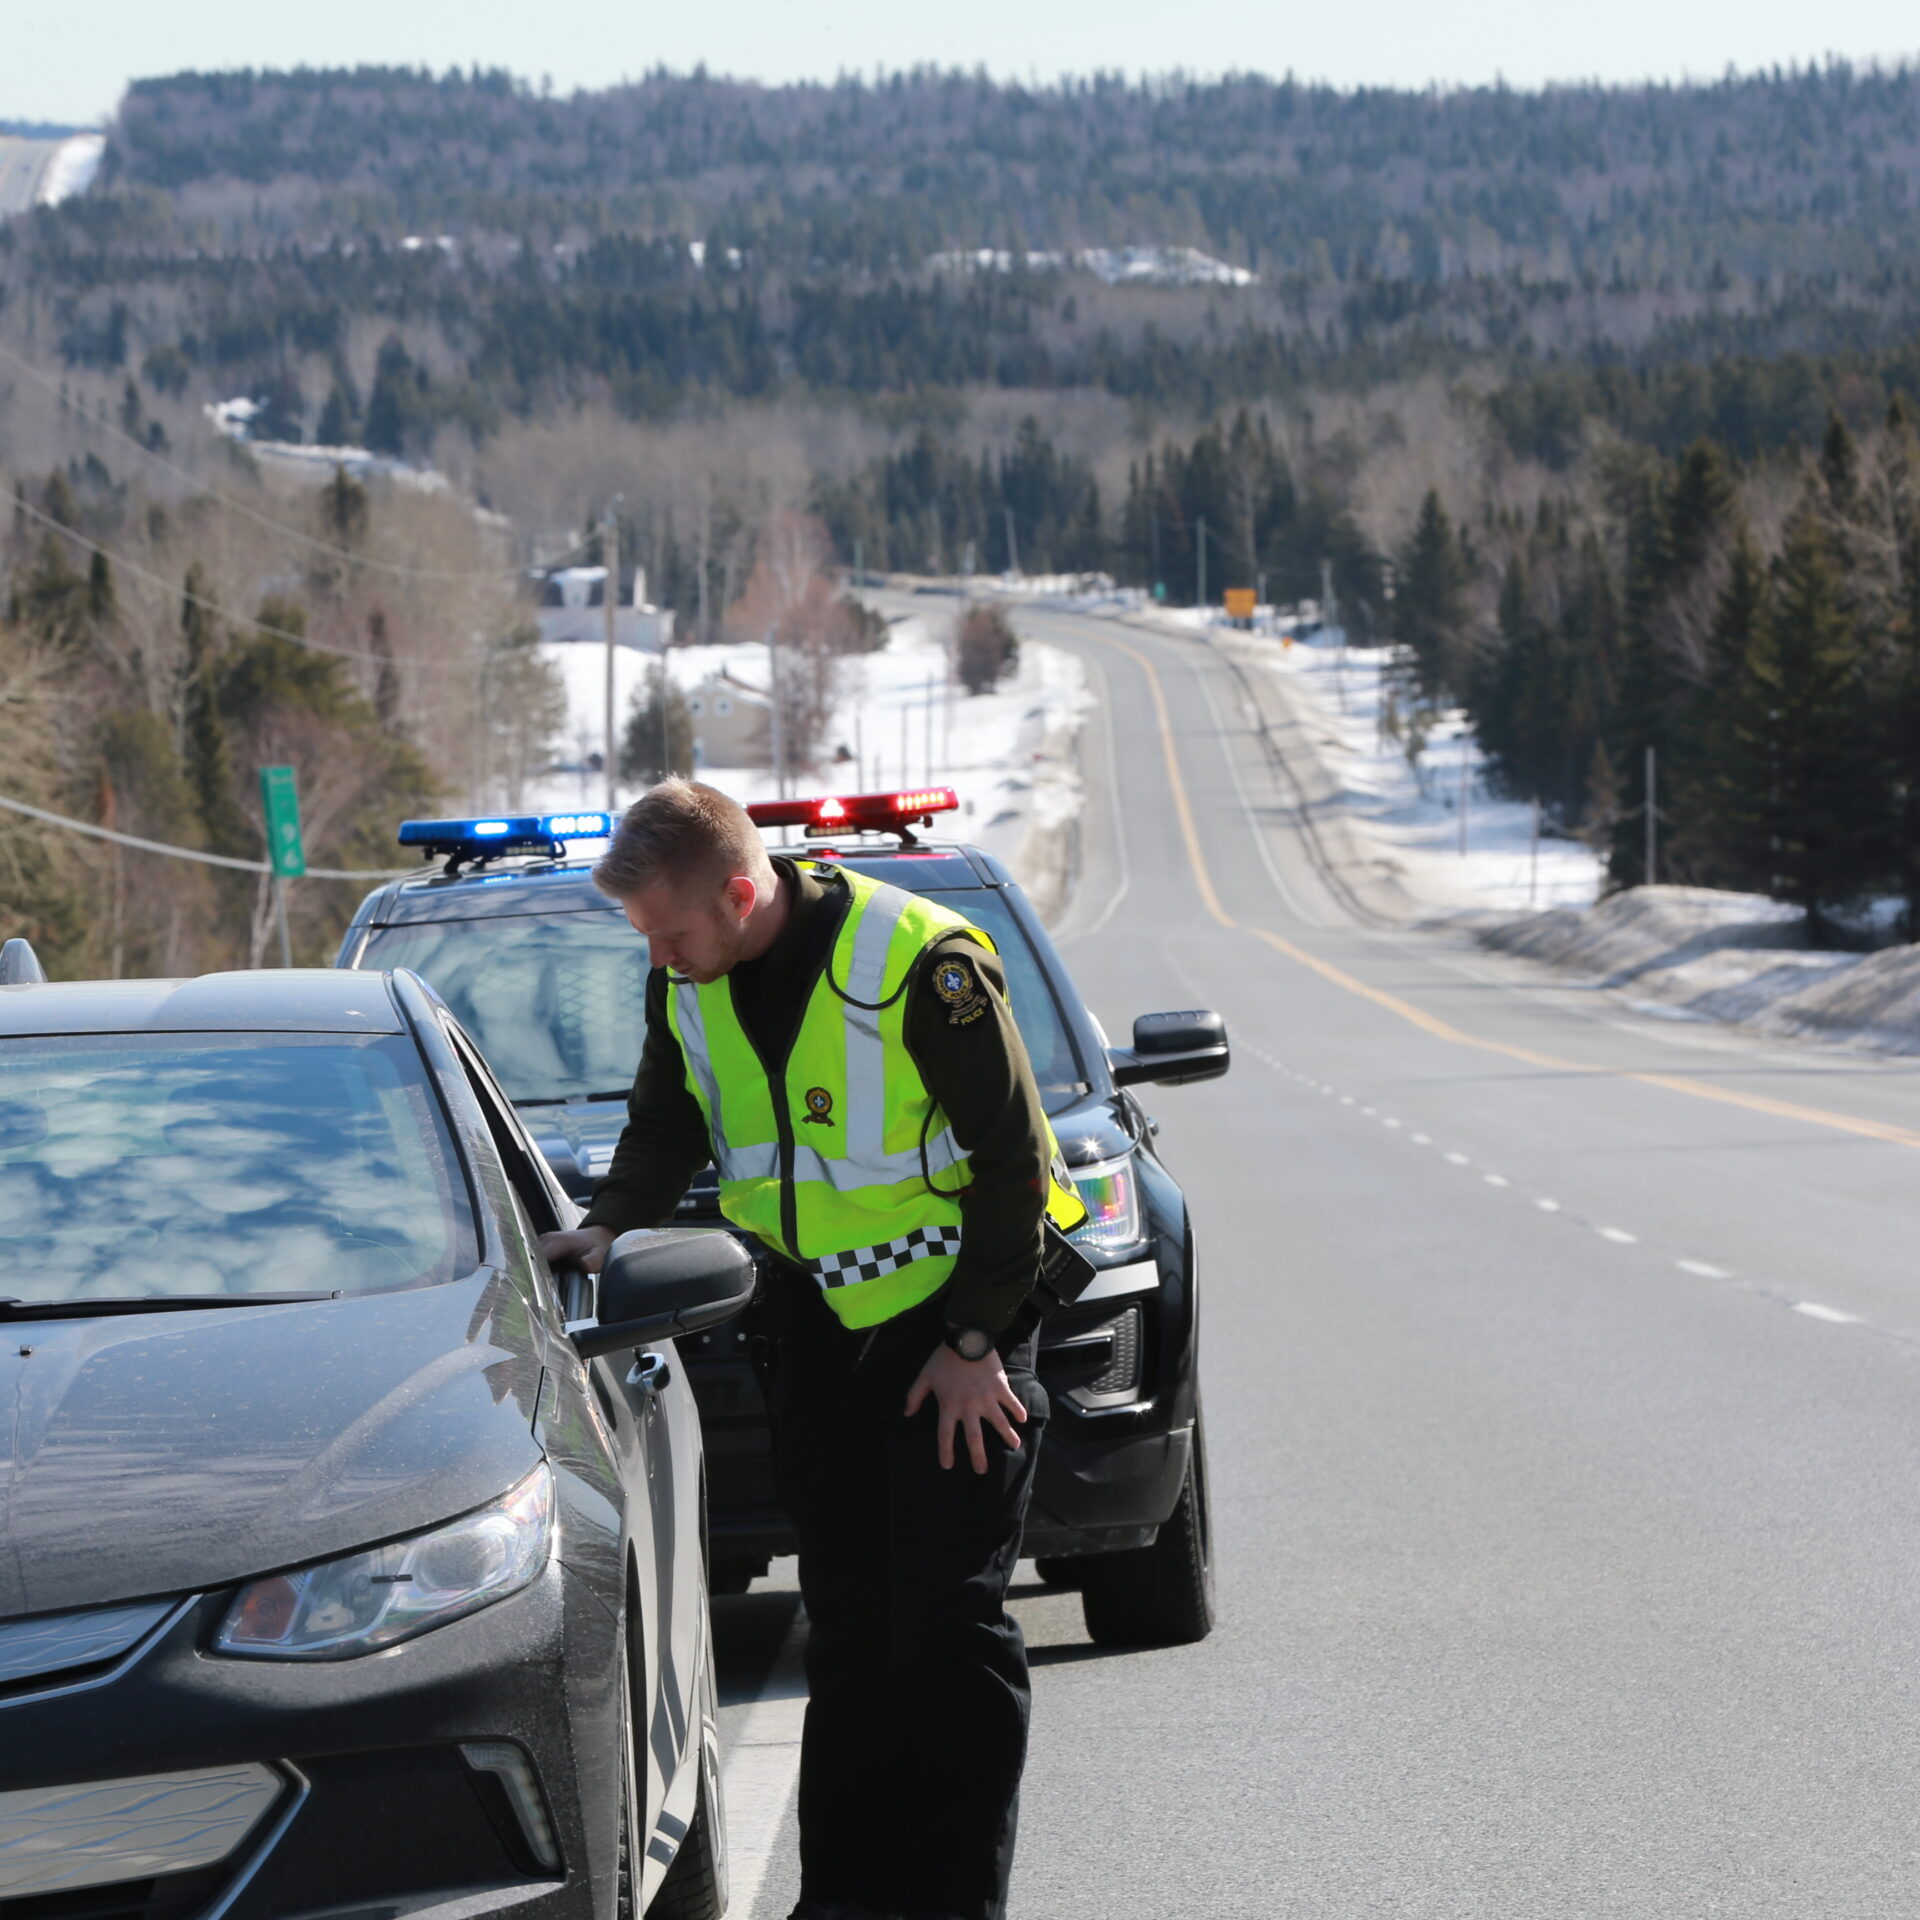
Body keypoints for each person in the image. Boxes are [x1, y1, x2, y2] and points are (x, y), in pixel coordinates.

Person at [539, 778, 1084, 1920]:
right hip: (818, 1335)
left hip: (956, 1338)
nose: (660, 954)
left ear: (740, 893)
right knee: (851, 1625)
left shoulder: (919, 961)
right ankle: (842, 1898)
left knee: (949, 1629)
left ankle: (951, 1904)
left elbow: (1012, 1166)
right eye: (646, 936)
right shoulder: (686, 975)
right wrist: (612, 1219)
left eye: (672, 930)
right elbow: (670, 1109)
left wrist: (978, 1339)